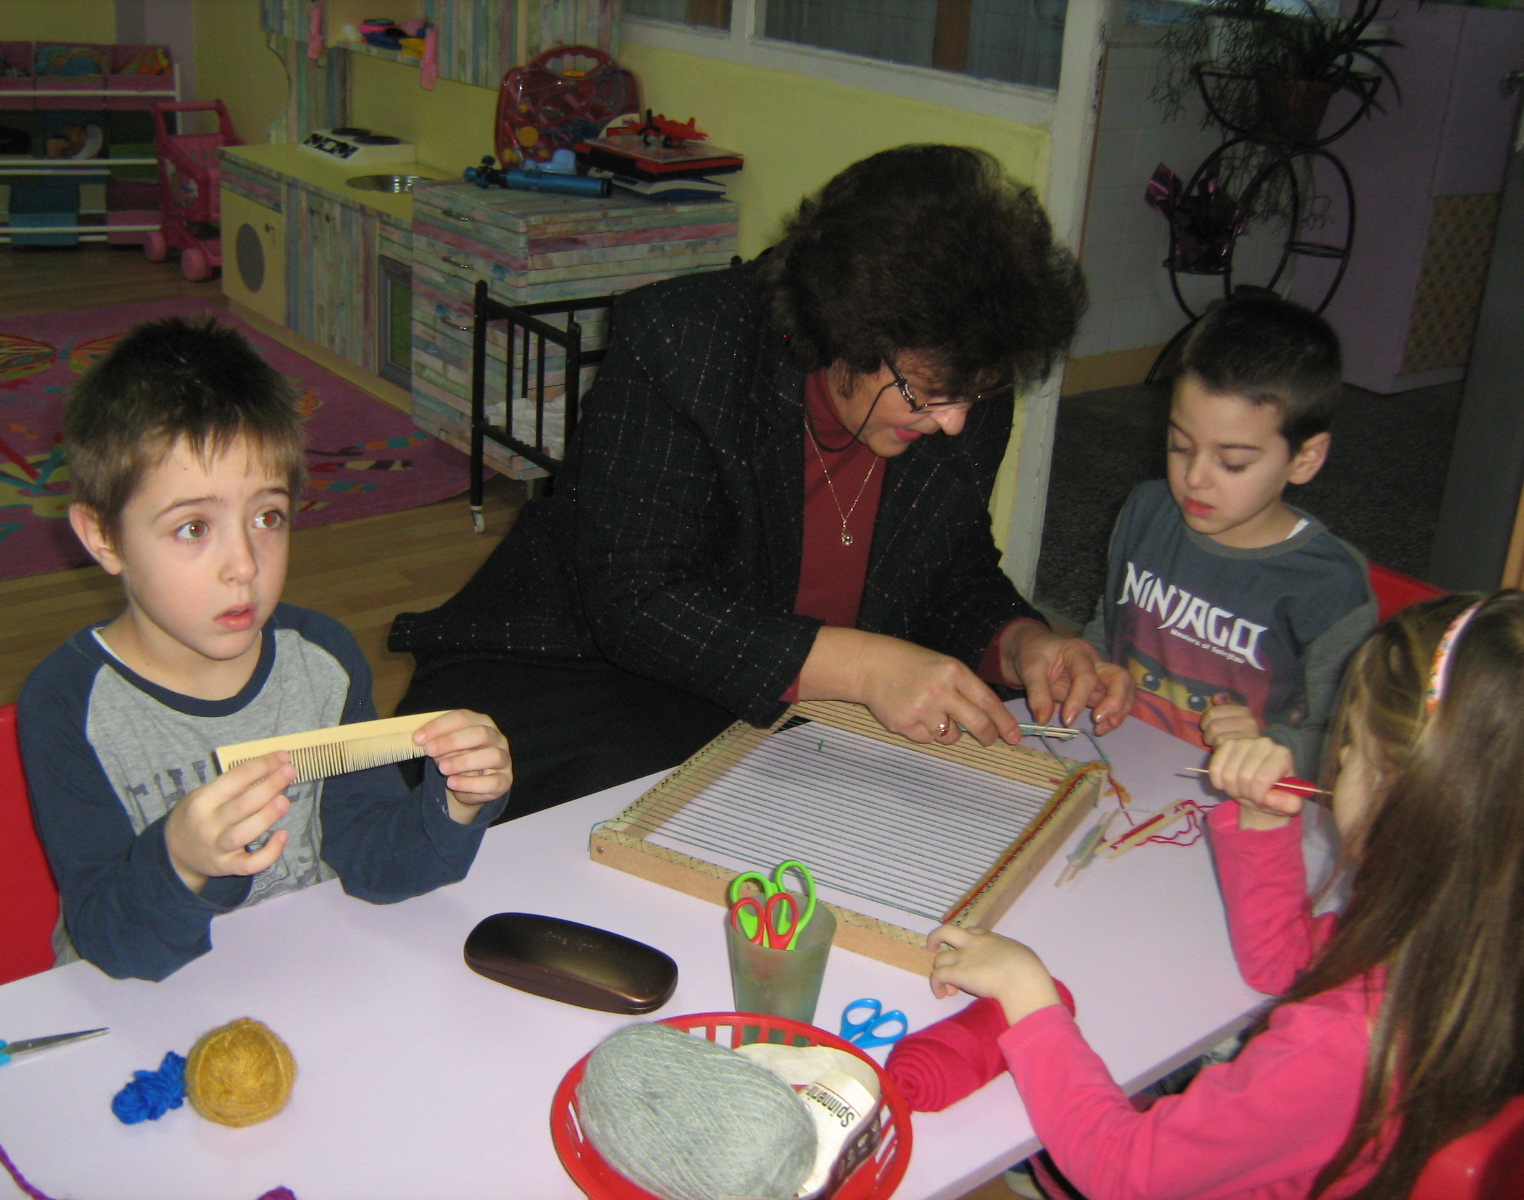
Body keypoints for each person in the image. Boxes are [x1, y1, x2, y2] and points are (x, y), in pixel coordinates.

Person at [390, 144, 1132, 819]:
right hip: (598, 663)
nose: (956, 422)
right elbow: (637, 601)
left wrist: (1024, 642)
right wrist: (863, 668)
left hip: (793, 697)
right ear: (845, 331)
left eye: (978, 395)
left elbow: (951, 568)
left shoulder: (961, 378)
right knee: (634, 804)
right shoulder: (686, 343)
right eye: (928, 395)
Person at [927, 591, 1524, 1199]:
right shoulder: (1461, 937)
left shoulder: (1345, 1044)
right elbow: (1283, 965)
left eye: (1354, 753)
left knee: (1021, 1116)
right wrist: (1261, 822)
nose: (1336, 761)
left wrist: (1027, 995)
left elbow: (1123, 1173)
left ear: (1411, 807)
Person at [20, 316, 512, 982]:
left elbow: (373, 860)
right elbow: (111, 943)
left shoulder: (322, 662)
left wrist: (455, 802)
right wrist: (181, 862)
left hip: (303, 977)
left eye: (267, 517)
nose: (244, 565)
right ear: (103, 537)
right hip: (146, 998)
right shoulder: (68, 704)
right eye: (194, 527)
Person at [1083, 291, 1375, 781]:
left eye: (1233, 462)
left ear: (1305, 459)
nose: (1195, 477)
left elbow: (1347, 743)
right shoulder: (1146, 511)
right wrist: (1091, 669)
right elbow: (1107, 629)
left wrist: (1271, 747)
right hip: (1120, 764)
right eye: (1180, 445)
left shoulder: (1329, 586)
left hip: (1242, 800)